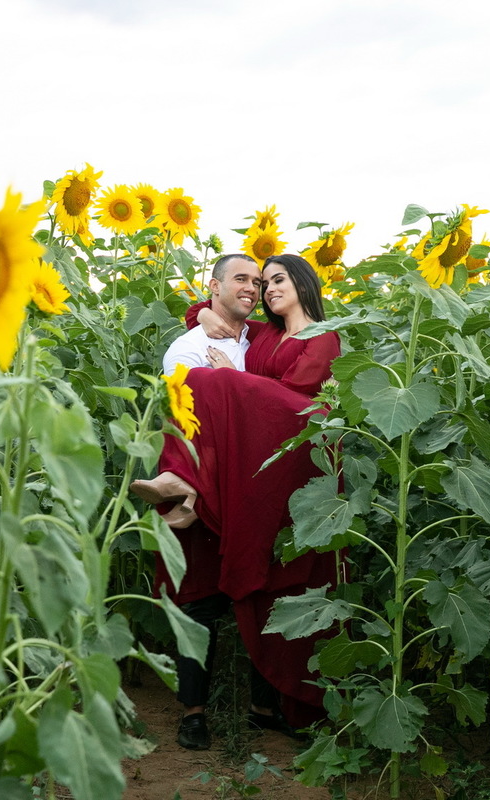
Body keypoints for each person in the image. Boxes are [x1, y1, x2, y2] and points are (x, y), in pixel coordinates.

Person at [132, 254, 342, 747]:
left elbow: (297, 409)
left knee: (277, 593)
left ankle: (269, 707)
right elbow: (209, 314)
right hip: (235, 468)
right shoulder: (262, 335)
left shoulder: (323, 338)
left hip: (286, 469)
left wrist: (236, 380)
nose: (266, 290)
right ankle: (180, 481)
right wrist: (204, 315)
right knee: (205, 592)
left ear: (304, 283)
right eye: (259, 282)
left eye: (276, 280)